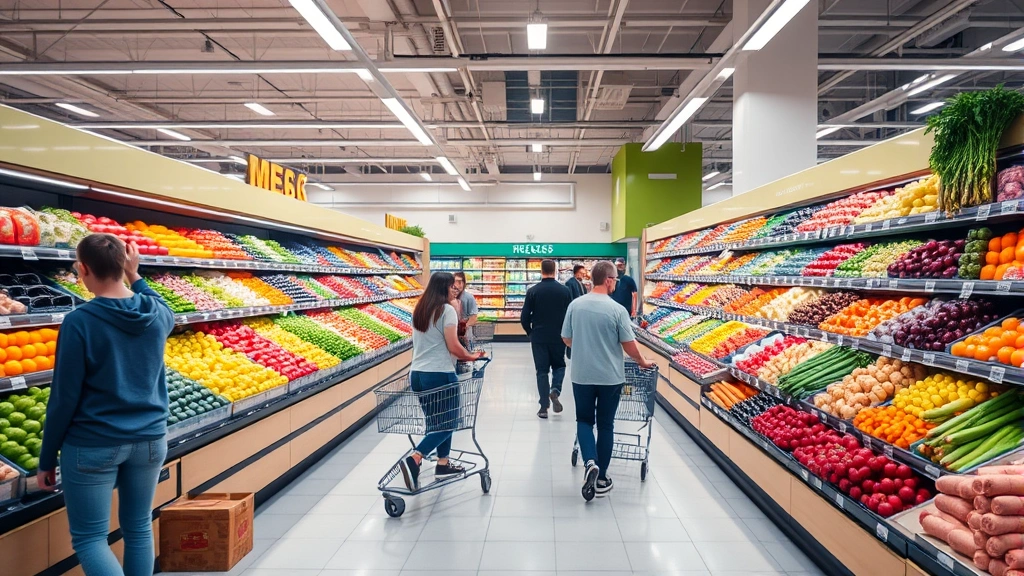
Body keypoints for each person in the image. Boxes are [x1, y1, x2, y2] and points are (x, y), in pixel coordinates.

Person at [37, 234, 175, 576]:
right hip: (150, 439)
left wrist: (47, 456)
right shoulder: (157, 313)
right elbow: (160, 303)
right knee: (139, 526)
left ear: (83, 269)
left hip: (93, 443)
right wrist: (136, 275)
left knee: (89, 538)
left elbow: (64, 397)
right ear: (123, 265)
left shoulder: (80, 321)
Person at [562, 261, 655, 498]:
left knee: (583, 421)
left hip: (582, 375)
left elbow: (566, 338)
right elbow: (628, 344)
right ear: (609, 280)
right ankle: (602, 476)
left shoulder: (576, 305)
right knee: (605, 425)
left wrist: (584, 347)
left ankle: (589, 462)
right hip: (610, 377)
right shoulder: (617, 310)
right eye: (616, 279)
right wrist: (642, 361)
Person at [399, 272, 486, 491]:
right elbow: (453, 346)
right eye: (451, 287)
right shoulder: (446, 310)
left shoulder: (421, 309)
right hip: (440, 374)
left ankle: (443, 464)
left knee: (437, 422)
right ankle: (415, 458)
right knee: (450, 423)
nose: (454, 290)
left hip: (418, 374)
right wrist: (471, 356)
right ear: (443, 288)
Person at [521, 259, 571, 419]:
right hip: (559, 336)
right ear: (555, 270)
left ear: (541, 271)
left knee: (541, 371)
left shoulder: (533, 291)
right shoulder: (564, 291)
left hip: (539, 337)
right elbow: (570, 315)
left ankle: (543, 407)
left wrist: (531, 332)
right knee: (559, 366)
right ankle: (555, 390)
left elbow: (524, 317)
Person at [452, 271, 479, 342]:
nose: (458, 285)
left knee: (466, 350)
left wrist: (464, 327)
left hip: (465, 332)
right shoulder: (448, 297)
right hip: (452, 330)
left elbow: (473, 317)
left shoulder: (469, 297)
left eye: (461, 282)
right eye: (456, 282)